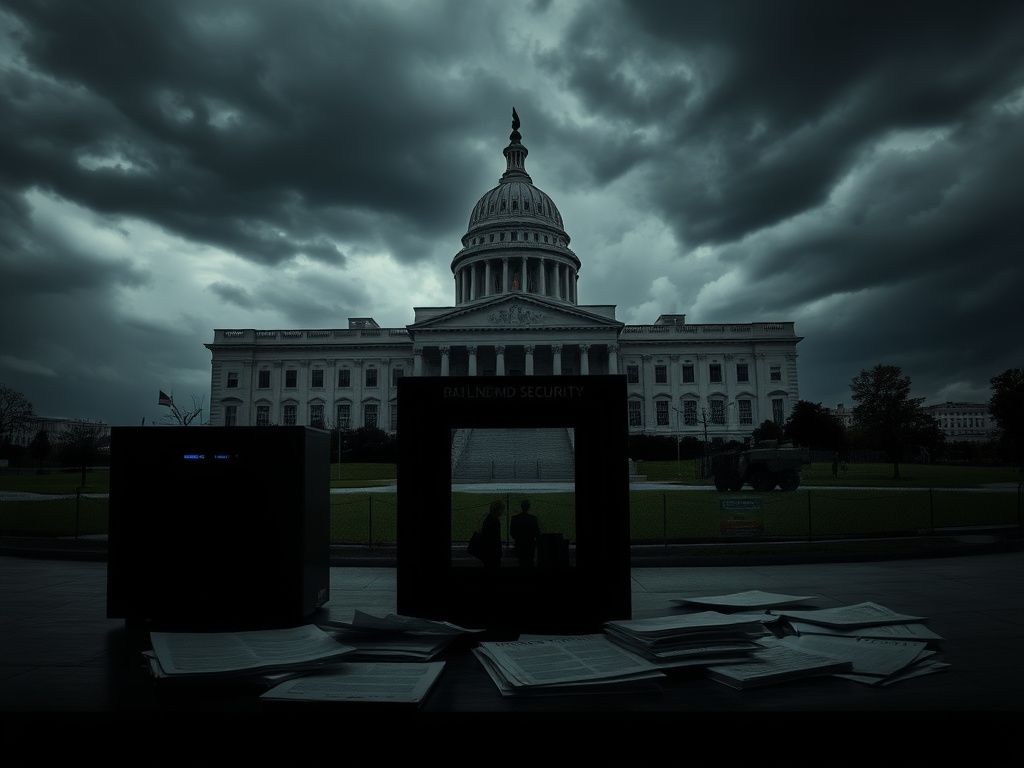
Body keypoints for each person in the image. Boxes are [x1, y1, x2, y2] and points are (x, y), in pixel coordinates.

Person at [509, 499, 541, 567]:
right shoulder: (533, 519)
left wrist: (518, 539)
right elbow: (537, 533)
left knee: (521, 562)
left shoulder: (515, 518)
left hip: (519, 545)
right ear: (528, 507)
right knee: (529, 562)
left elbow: (512, 533)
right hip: (530, 545)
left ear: (521, 507)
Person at [477, 499, 504, 570]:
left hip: (488, 553)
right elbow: (496, 539)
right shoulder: (495, 521)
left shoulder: (489, 519)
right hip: (493, 554)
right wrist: (499, 553)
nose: (503, 512)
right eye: (502, 509)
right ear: (498, 510)